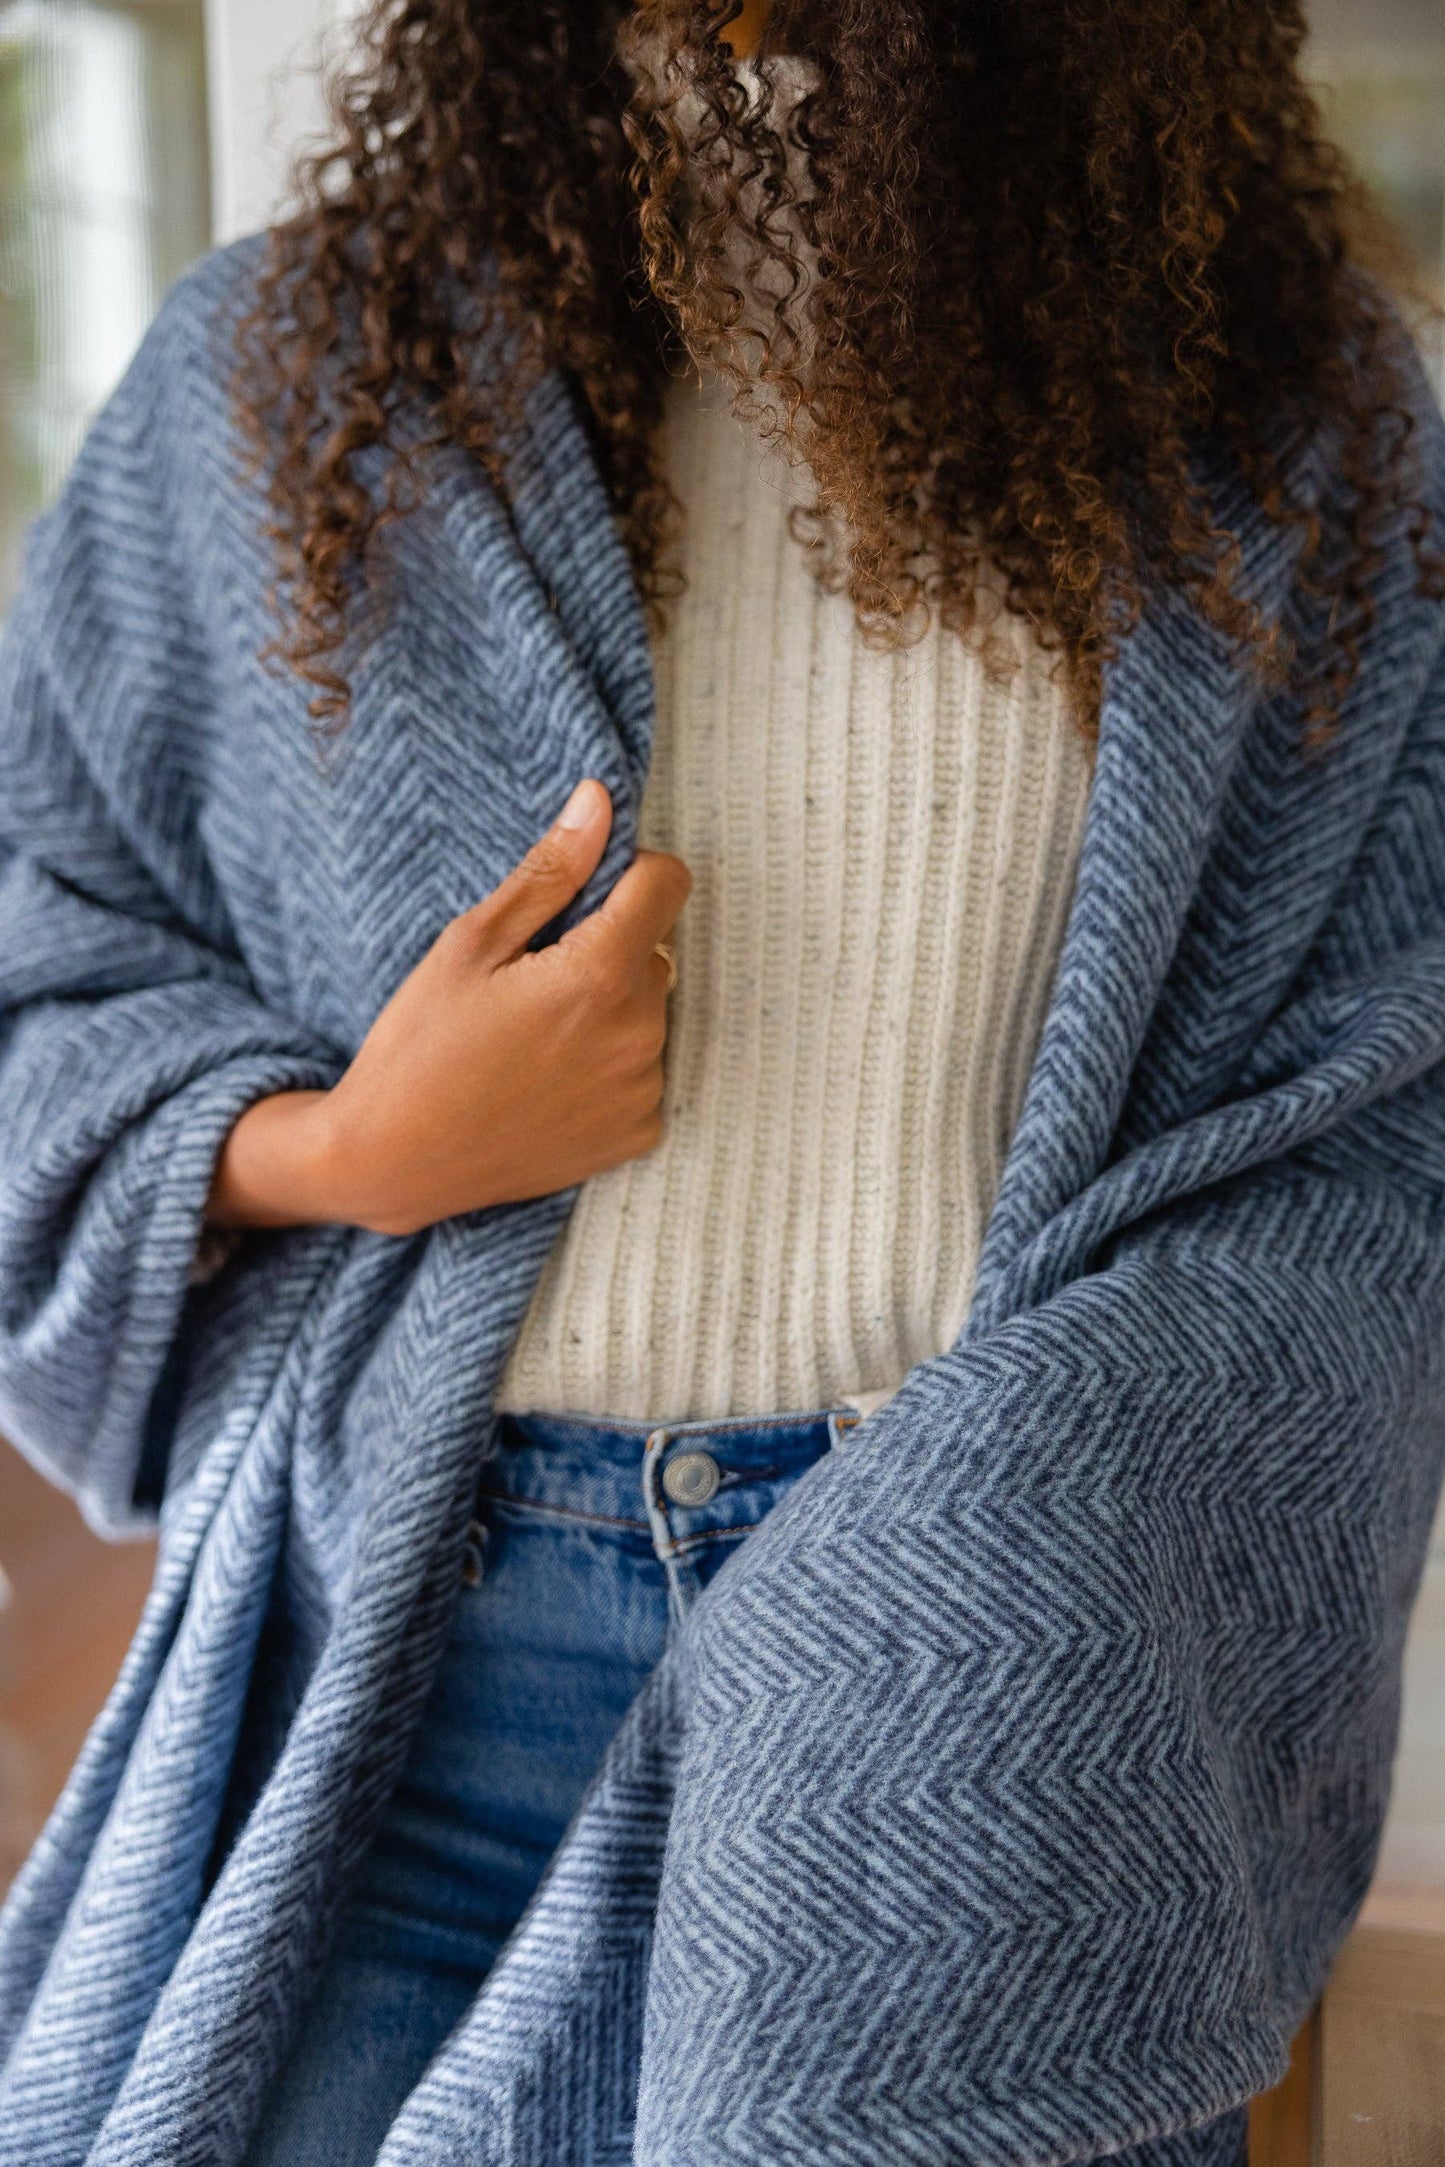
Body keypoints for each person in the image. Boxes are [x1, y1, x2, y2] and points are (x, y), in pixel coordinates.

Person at [1, 2, 1443, 2162]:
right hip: (416, 1678)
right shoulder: (293, 372)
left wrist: (1019, 1519)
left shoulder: (1295, 416)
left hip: (1009, 1701)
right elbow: (45, 946)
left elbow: (1389, 1108)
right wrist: (346, 1147)